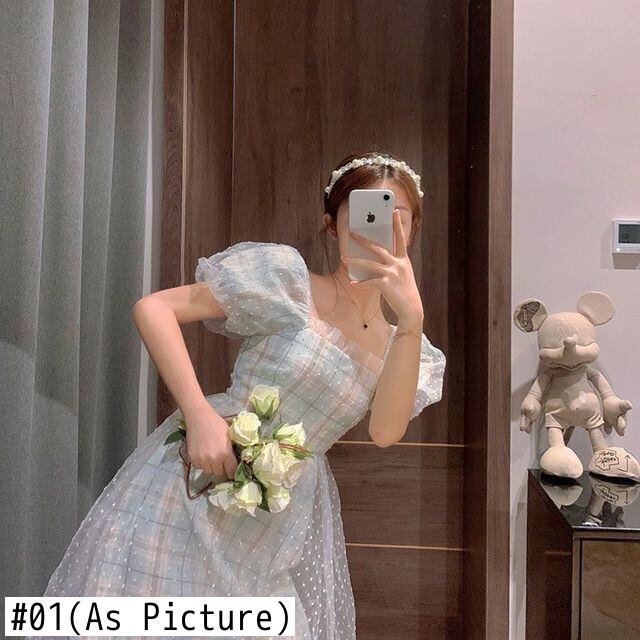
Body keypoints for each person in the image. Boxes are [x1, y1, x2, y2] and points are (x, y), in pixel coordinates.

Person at [40, 151, 446, 639]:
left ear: (413, 230)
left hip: (278, 517)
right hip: (194, 481)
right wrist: (199, 415)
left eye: (396, 216)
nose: (380, 229)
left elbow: (384, 431)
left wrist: (412, 317)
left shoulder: (406, 346)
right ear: (332, 225)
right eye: (365, 213)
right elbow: (154, 308)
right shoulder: (288, 281)